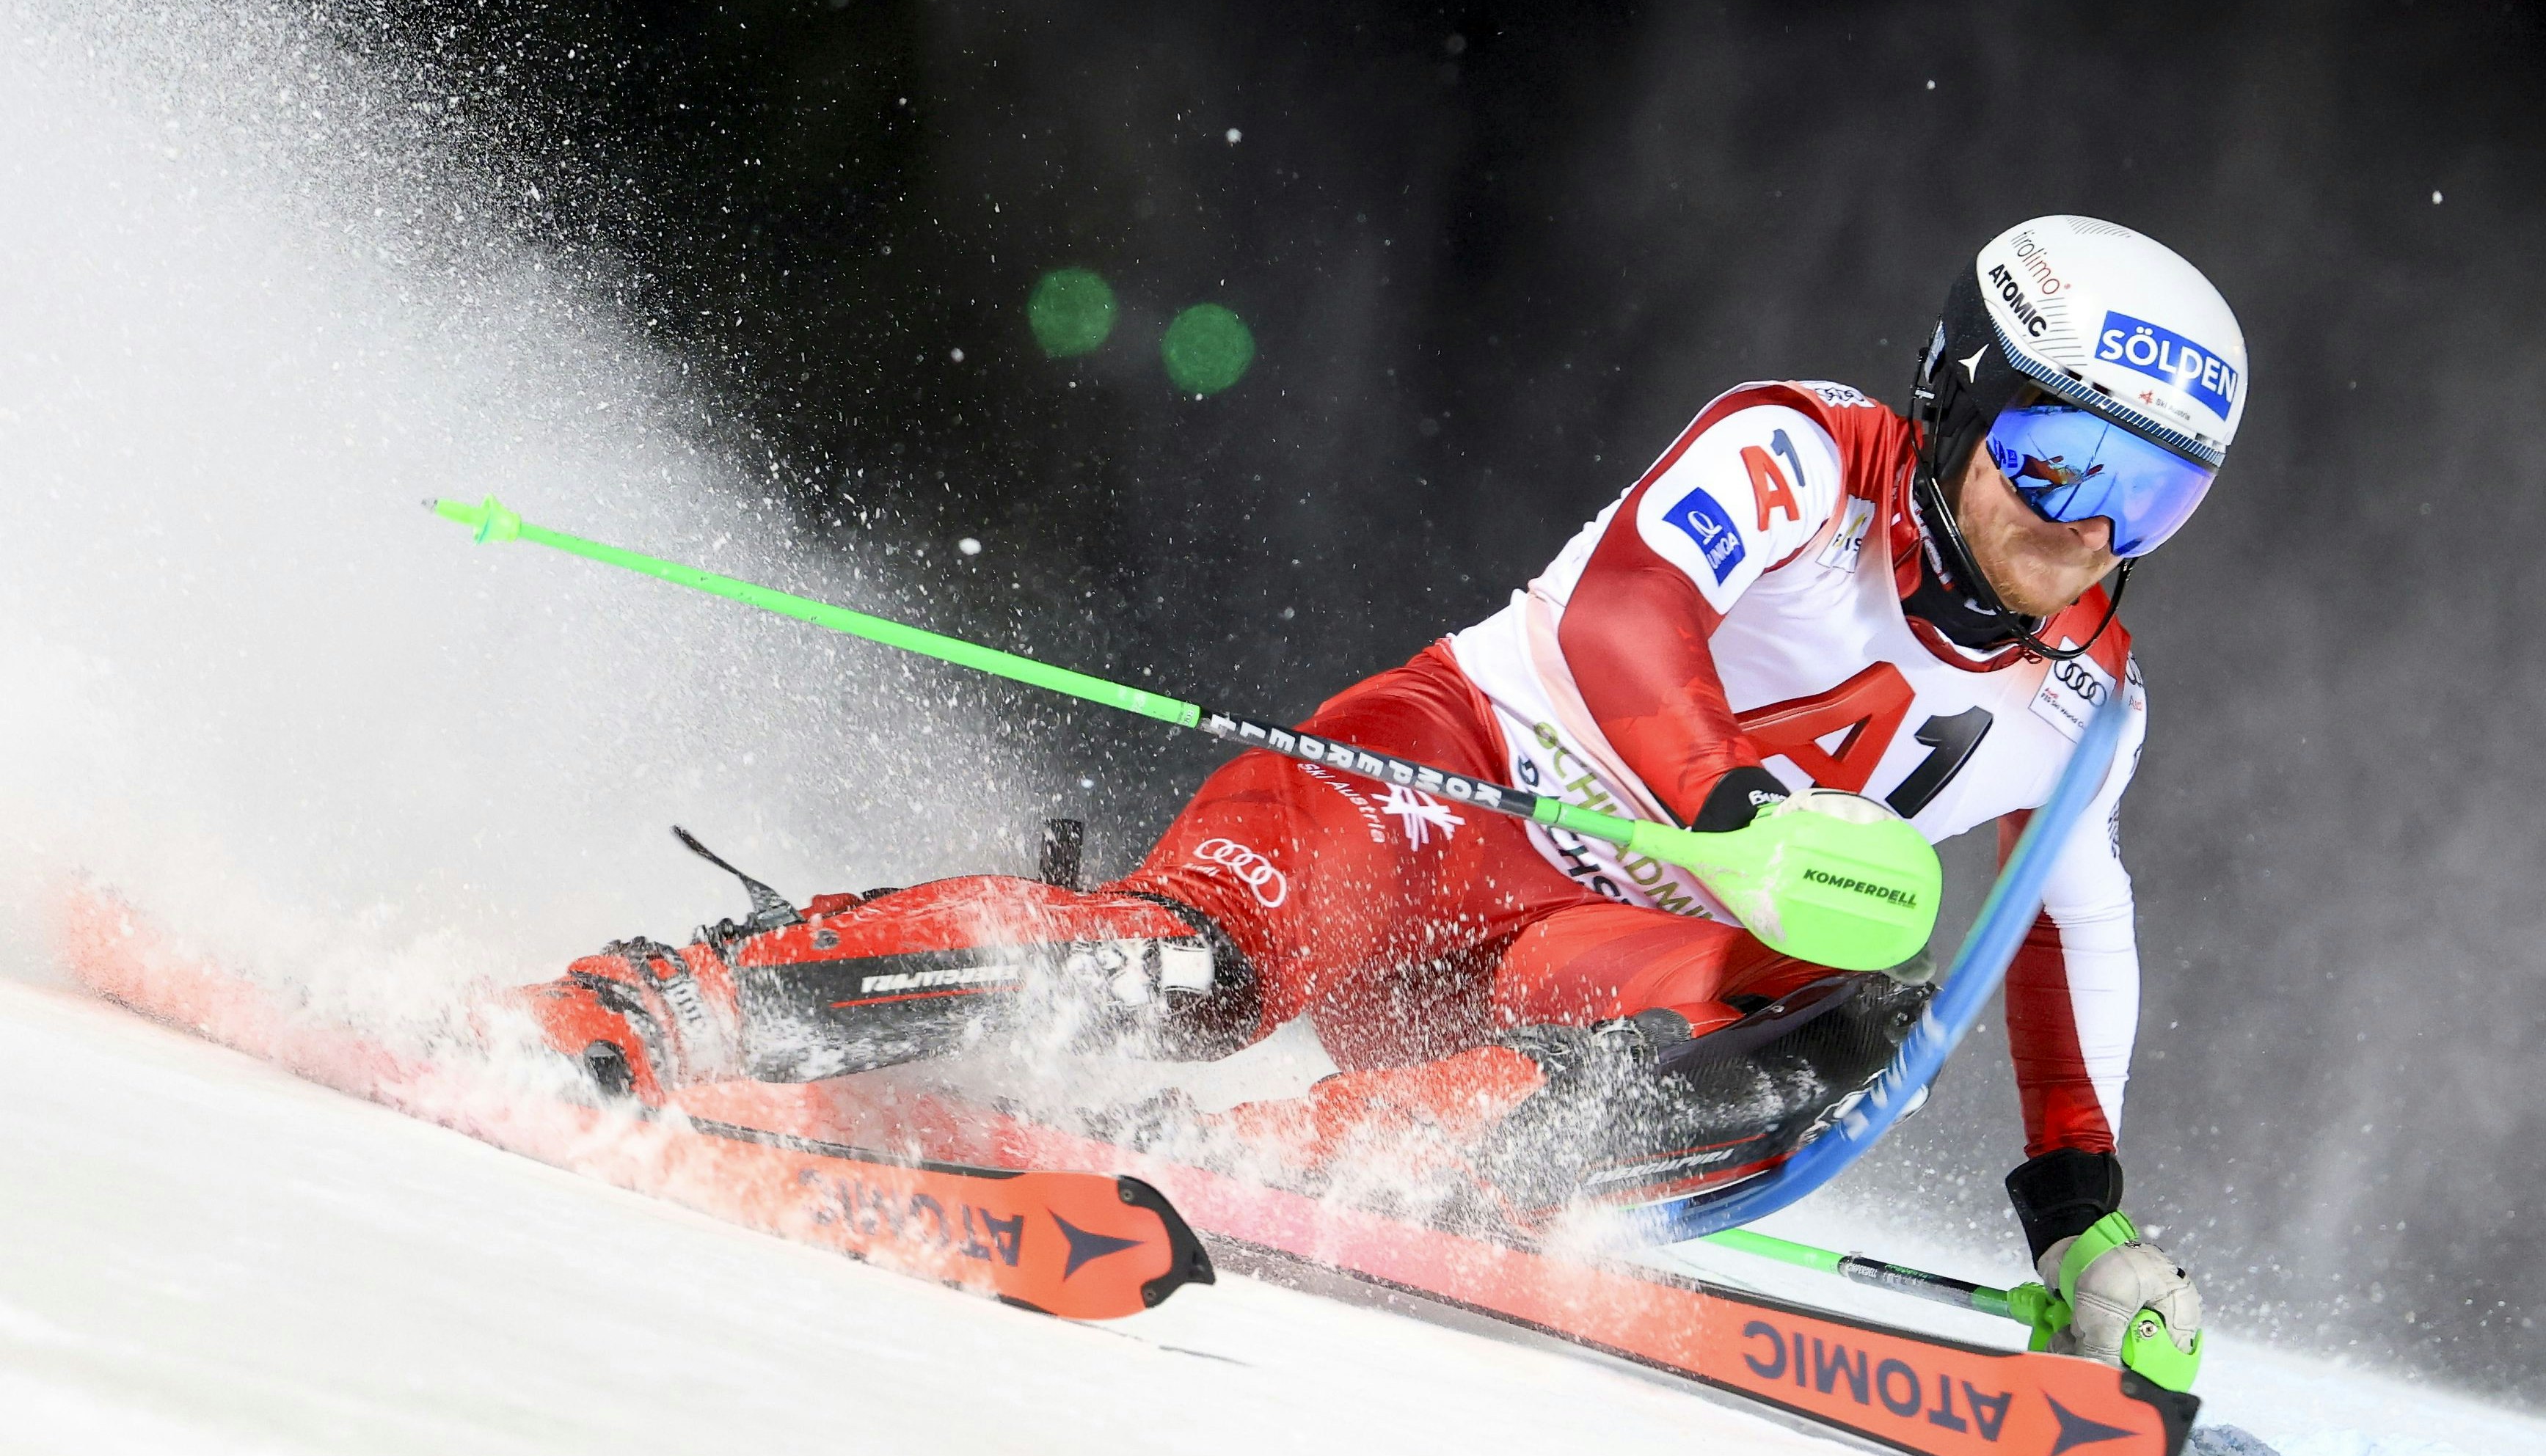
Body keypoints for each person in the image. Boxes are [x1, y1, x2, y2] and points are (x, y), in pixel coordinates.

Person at [522, 213, 2238, 1372]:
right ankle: (682, 1000)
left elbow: (2059, 925)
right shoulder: (1796, 449)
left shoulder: (2088, 700)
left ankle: (1264, 1163)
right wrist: (1728, 817)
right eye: (2058, 459)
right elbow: (1625, 613)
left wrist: (2076, 1220)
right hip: (1442, 791)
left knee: (1854, 1018)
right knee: (1186, 975)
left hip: (1577, 967)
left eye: (2149, 500)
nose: (2084, 532)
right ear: (1956, 402)